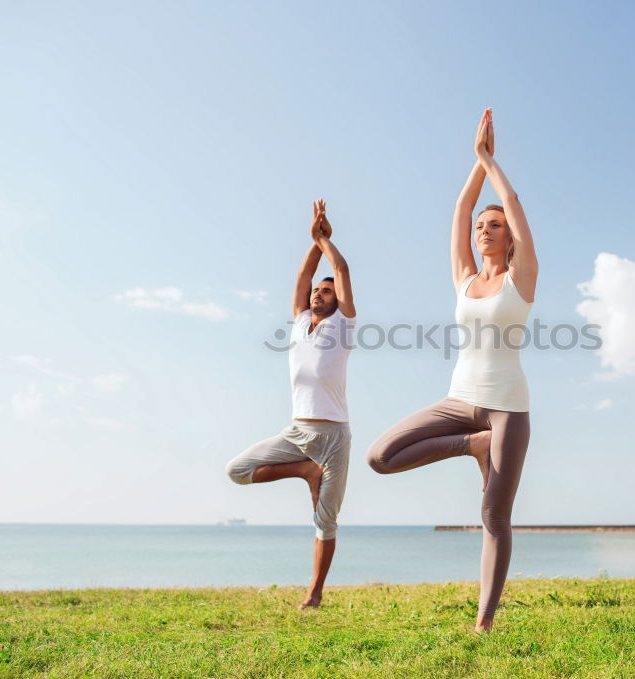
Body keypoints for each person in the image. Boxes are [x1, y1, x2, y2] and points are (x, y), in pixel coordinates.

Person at [367, 108, 537, 632]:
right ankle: (472, 446)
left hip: (508, 407)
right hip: (459, 402)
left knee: (494, 515)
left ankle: (484, 619)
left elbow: (512, 202)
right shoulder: (464, 278)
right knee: (380, 456)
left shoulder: (521, 278)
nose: (485, 231)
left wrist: (491, 160)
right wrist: (474, 165)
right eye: (482, 227)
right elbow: (461, 210)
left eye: (495, 227)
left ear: (510, 239)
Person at [225, 199, 356, 610]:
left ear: (336, 302)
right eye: (316, 290)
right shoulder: (300, 323)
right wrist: (313, 242)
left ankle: (314, 595)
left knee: (325, 521)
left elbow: (343, 272)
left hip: (334, 437)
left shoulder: (344, 327)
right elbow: (303, 273)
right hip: (297, 433)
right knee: (238, 470)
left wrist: (325, 240)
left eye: (325, 291)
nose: (317, 293)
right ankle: (304, 471)